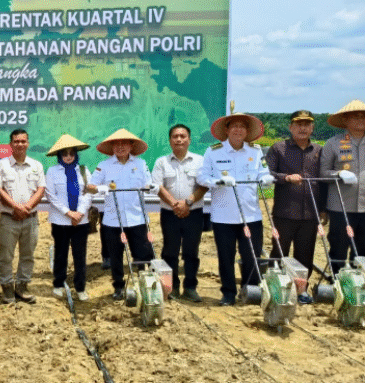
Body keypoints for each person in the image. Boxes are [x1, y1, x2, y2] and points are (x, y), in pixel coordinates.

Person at [197, 111, 274, 306]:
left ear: (247, 131)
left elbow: (264, 172)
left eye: (242, 126)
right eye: (234, 126)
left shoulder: (256, 151)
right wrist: (218, 182)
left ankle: (251, 290)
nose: (238, 130)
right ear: (227, 130)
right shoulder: (213, 152)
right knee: (226, 257)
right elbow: (202, 177)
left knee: (251, 255)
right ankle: (228, 293)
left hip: (251, 215)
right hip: (223, 216)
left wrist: (266, 178)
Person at [87, 129, 154, 301]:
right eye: (116, 144)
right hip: (113, 220)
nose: (120, 147)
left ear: (131, 145)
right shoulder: (104, 166)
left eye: (124, 143)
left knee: (142, 254)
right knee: (115, 256)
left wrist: (149, 187)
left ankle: (144, 285)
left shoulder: (141, 164)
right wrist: (99, 188)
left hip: (137, 218)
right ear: (111, 147)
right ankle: (118, 286)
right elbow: (90, 186)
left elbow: (149, 184)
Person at [266, 110, 325, 304]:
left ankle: (301, 291)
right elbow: (267, 174)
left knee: (305, 254)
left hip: (310, 214)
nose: (303, 128)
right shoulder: (278, 148)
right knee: (279, 252)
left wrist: (323, 209)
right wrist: (285, 177)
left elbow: (324, 182)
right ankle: (274, 288)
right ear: (291, 127)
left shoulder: (319, 150)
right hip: (284, 212)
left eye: (307, 124)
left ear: (312, 128)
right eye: (299, 124)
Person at [152, 124, 208, 302]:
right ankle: (172, 287)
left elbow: (204, 185)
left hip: (194, 213)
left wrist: (188, 203)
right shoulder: (161, 162)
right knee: (170, 252)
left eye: (183, 136)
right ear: (170, 141)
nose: (179, 139)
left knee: (191, 252)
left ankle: (190, 287)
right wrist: (175, 205)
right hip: (170, 214)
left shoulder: (200, 161)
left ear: (189, 140)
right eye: (175, 136)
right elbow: (158, 187)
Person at [0, 129, 46, 304]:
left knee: (28, 255)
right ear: (10, 144)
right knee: (5, 256)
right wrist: (16, 207)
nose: (20, 144)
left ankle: (22, 287)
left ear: (28, 143)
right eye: (16, 141)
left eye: (23, 141)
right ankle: (7, 288)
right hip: (8, 219)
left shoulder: (36, 165)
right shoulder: (1, 165)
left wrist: (27, 207)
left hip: (30, 219)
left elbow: (41, 189)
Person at [45, 134, 93, 301]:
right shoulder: (52, 171)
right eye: (64, 154)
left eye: (71, 153)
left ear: (75, 154)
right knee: (61, 253)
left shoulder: (84, 170)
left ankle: (80, 288)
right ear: (59, 155)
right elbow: (51, 195)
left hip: (81, 220)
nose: (68, 157)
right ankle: (58, 284)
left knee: (80, 255)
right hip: (60, 220)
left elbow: (88, 193)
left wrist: (79, 212)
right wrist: (68, 212)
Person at [320, 100, 365, 274]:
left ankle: (359, 283)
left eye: (363, 116)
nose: (360, 120)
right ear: (345, 120)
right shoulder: (333, 143)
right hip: (340, 207)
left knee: (362, 251)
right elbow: (323, 173)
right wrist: (338, 174)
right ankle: (336, 282)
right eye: (355, 116)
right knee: (338, 248)